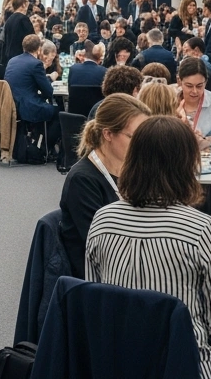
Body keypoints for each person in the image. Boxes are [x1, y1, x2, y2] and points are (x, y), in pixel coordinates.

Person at [86, 116, 211, 379]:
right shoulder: (201, 228)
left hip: (116, 363)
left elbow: (93, 303)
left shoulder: (102, 220)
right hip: (181, 366)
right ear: (188, 165)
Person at [58, 94, 150, 276]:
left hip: (131, 260)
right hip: (100, 276)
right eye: (134, 137)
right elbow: (103, 246)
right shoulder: (83, 180)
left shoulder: (130, 170)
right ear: (108, 134)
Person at [5, 34, 61, 155]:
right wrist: (50, 79)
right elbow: (48, 91)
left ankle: (37, 140)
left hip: (11, 105)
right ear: (39, 49)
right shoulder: (36, 64)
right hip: (27, 107)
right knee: (58, 113)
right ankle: (46, 147)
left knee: (47, 108)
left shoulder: (12, 61)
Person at [0, 0, 36, 64]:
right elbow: (32, 38)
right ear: (23, 5)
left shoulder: (9, 20)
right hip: (21, 56)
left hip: (9, 57)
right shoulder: (24, 19)